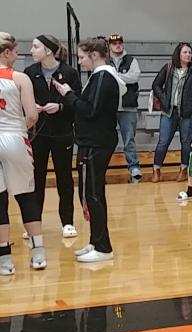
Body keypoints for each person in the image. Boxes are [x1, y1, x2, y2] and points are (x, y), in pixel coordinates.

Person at [53, 37, 124, 263]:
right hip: (92, 141)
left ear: (94, 55)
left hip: (97, 142)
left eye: (83, 57)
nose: (80, 62)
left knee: (93, 194)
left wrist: (68, 94)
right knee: (92, 194)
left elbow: (90, 110)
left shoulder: (103, 76)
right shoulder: (98, 76)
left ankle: (103, 247)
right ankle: (96, 240)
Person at [25, 34, 82, 238]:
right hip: (38, 133)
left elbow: (77, 103)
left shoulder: (69, 72)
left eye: (35, 46)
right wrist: (33, 109)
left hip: (62, 132)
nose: (31, 50)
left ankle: (67, 222)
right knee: (36, 178)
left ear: (48, 50)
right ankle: (34, 223)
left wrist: (59, 106)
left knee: (64, 178)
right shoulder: (29, 73)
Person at [0, 33, 46, 275]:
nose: (18, 56)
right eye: (15, 51)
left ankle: (4, 261)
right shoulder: (20, 78)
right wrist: (20, 128)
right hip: (14, 137)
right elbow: (32, 115)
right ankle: (38, 254)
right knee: (27, 196)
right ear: (6, 53)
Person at [150, 42, 192, 184]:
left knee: (186, 143)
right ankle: (156, 170)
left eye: (190, 52)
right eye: (185, 52)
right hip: (169, 112)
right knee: (163, 142)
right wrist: (164, 98)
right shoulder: (169, 68)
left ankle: (183, 169)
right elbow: (156, 85)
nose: (188, 55)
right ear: (178, 54)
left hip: (187, 113)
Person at [106, 33, 142, 183]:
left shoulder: (131, 60)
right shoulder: (105, 60)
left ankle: (134, 167)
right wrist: (122, 76)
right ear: (109, 45)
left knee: (129, 139)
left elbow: (135, 77)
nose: (118, 45)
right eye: (114, 43)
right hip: (109, 107)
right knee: (106, 139)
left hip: (128, 107)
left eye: (120, 43)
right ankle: (103, 166)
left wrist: (115, 75)